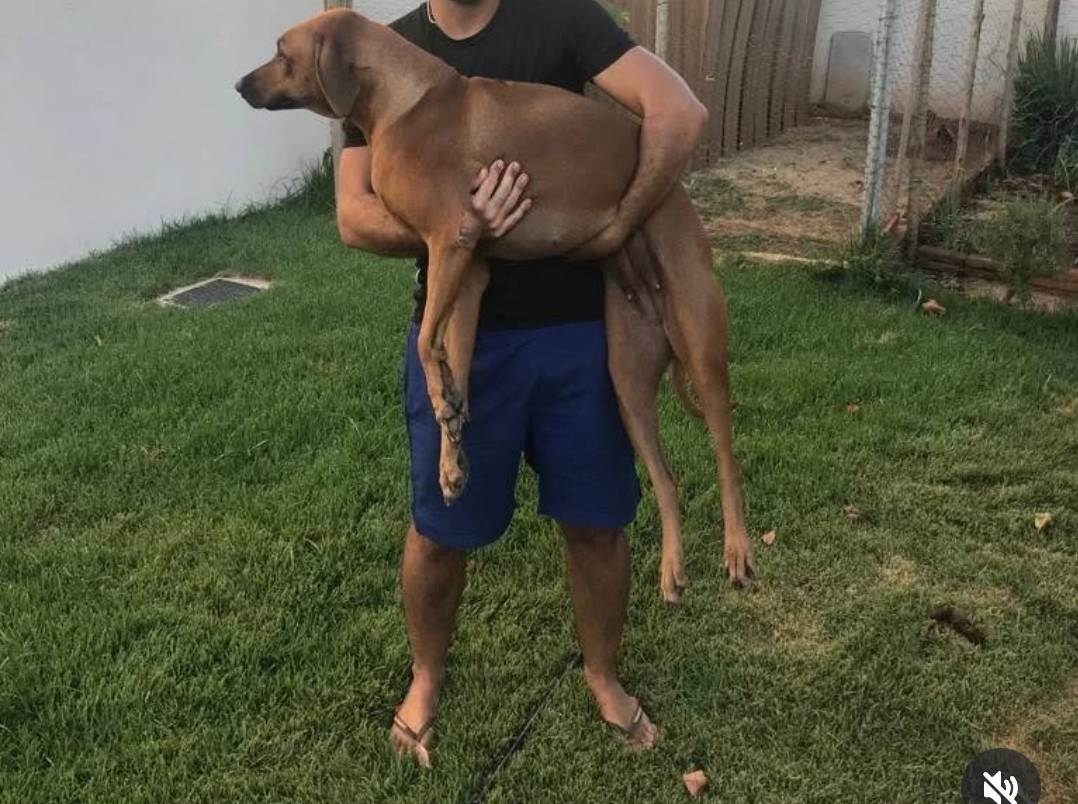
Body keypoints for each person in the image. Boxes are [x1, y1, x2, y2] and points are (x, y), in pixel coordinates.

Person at [335, 0, 707, 764]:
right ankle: (427, 678)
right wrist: (457, 221)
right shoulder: (382, 51)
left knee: (597, 523)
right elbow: (354, 213)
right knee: (441, 531)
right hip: (461, 341)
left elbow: (677, 111)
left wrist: (619, 222)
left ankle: (602, 674)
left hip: (578, 331)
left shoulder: (561, 18)